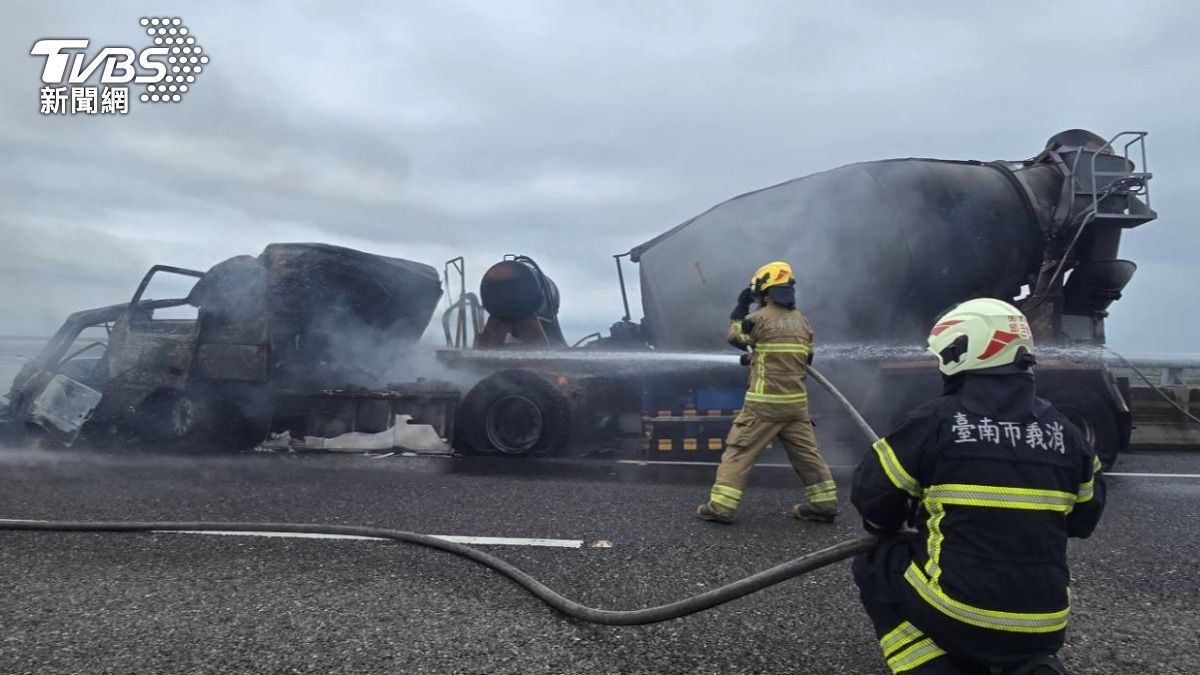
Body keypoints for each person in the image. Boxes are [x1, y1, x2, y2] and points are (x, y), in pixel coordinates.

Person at [851, 298, 1106, 675]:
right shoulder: (1067, 433)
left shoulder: (933, 422)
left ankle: (932, 666)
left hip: (961, 614)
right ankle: (1031, 665)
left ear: (961, 351)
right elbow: (1083, 520)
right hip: (1045, 624)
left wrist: (901, 524)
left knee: (875, 564)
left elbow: (873, 501)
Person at [696, 261, 838, 524]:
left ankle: (720, 508)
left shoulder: (757, 319)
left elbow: (735, 337)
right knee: (808, 455)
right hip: (796, 406)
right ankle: (824, 504)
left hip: (763, 406)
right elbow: (804, 359)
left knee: (739, 451)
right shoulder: (802, 322)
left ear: (763, 291)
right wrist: (759, 358)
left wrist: (740, 307)